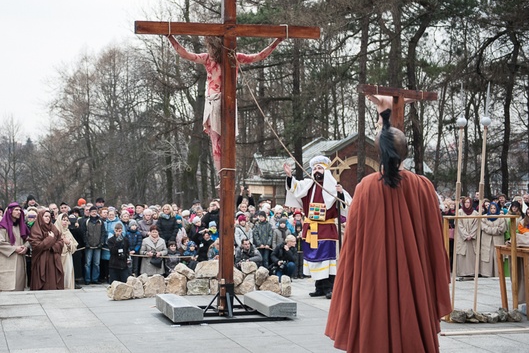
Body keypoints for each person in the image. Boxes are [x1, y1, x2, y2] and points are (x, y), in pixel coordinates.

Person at [325, 108, 451, 353]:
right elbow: (435, 240)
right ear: (405, 153)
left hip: (374, 277)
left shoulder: (365, 188)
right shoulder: (423, 186)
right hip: (415, 277)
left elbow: (353, 246)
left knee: (374, 329)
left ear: (379, 152)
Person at [167, 35, 283, 172]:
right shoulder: (220, 58)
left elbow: (186, 54)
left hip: (221, 100)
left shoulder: (226, 58)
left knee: (219, 142)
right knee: (222, 142)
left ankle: (224, 174)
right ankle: (223, 174)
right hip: (220, 101)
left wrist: (277, 41)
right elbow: (259, 56)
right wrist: (277, 41)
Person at [284, 155, 352, 299]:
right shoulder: (308, 185)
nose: (316, 171)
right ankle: (319, 287)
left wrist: (340, 193)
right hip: (311, 228)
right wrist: (290, 176)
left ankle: (330, 288)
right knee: (314, 259)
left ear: (326, 170)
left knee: (327, 259)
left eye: (319, 168)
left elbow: (345, 203)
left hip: (326, 229)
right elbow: (295, 188)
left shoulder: (333, 187)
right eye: (314, 168)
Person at [0, 203, 30, 291]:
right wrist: (14, 249)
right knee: (8, 287)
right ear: (10, 211)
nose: (19, 212)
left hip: (20, 259)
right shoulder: (2, 227)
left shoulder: (22, 226)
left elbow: (29, 239)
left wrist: (25, 247)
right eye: (16, 210)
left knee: (19, 286)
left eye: (20, 210)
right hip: (7, 260)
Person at [28, 209, 64, 290]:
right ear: (41, 217)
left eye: (49, 216)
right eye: (45, 216)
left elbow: (60, 242)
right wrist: (49, 239)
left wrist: (52, 246)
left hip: (53, 259)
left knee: (53, 281)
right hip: (41, 260)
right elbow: (37, 246)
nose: (48, 218)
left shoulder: (53, 228)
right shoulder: (36, 229)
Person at [80, 206, 106, 285]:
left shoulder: (100, 221)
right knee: (88, 263)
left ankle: (95, 278)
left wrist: (101, 243)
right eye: (92, 211)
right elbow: (83, 233)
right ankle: (87, 279)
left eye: (95, 211)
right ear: (90, 212)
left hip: (98, 245)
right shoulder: (86, 221)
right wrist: (86, 243)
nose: (94, 213)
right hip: (89, 246)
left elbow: (103, 233)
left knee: (96, 263)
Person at [480, 203, 506, 277]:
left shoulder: (501, 217)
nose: (493, 210)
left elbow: (502, 228)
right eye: (491, 208)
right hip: (487, 240)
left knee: (497, 256)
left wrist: (490, 229)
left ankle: (498, 273)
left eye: (494, 208)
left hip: (498, 239)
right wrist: (493, 229)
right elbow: (483, 226)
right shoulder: (484, 217)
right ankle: (487, 273)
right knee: (487, 256)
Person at [455, 196, 478, 279]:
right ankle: (462, 272)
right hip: (462, 238)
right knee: (462, 253)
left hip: (472, 237)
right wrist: (465, 235)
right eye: (465, 202)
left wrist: (471, 234)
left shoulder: (475, 213)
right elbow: (459, 225)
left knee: (471, 255)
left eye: (468, 202)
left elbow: (477, 224)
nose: (467, 204)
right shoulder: (459, 212)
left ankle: (471, 272)